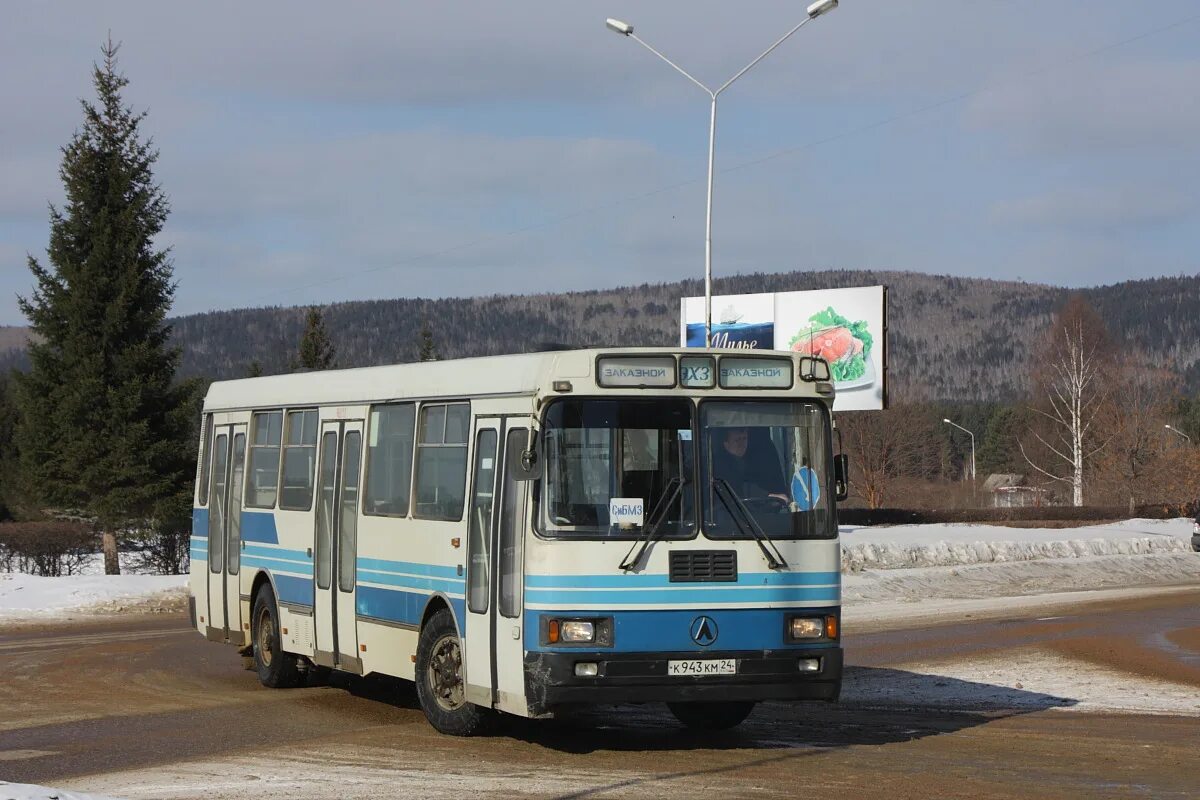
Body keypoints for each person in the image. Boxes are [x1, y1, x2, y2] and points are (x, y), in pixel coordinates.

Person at [711, 427, 788, 504]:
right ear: (726, 444)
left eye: (744, 438)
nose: (742, 444)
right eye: (737, 440)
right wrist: (768, 495)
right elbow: (739, 485)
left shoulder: (756, 460)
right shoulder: (719, 465)